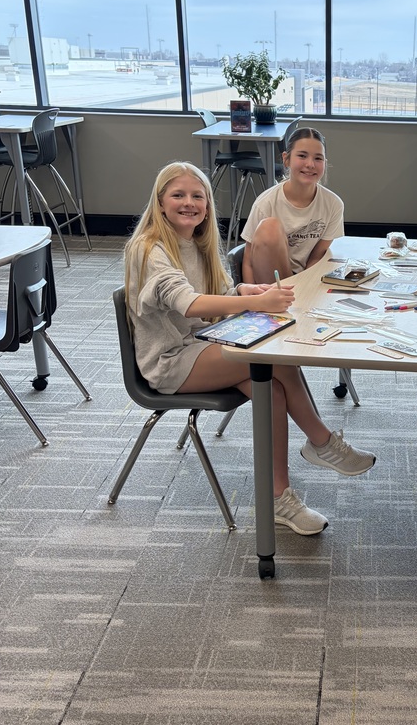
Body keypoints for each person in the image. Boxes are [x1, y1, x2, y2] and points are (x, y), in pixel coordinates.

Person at [124, 161, 375, 538]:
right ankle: (322, 442)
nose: (189, 203)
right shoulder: (149, 249)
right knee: (271, 357)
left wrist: (245, 292)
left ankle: (279, 498)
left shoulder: (196, 242)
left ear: (207, 204)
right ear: (160, 203)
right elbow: (189, 303)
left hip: (203, 343)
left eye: (198, 196)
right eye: (178, 195)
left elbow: (217, 293)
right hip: (170, 361)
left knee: (272, 389)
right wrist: (253, 305)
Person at [241, 127, 342, 285]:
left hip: (304, 277)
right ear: (286, 159)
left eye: (318, 158)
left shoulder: (334, 204)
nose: (310, 164)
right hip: (271, 282)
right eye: (302, 156)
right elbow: (248, 262)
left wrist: (305, 288)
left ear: (325, 163)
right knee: (270, 227)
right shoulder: (266, 203)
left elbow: (317, 256)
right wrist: (250, 303)